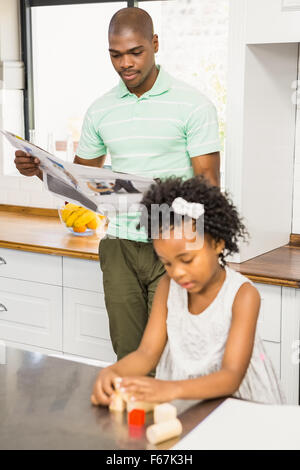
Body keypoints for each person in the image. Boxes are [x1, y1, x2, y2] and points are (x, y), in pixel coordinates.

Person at [14, 7, 221, 361]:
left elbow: (209, 185)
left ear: (155, 44)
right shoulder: (102, 110)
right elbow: (80, 178)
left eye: (135, 52)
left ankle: (175, 417)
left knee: (174, 353)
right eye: (116, 54)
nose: (126, 63)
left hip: (174, 244)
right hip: (119, 246)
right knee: (129, 353)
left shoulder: (194, 105)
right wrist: (38, 168)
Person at [91, 176, 286, 406]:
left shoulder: (242, 295)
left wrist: (169, 389)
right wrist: (114, 372)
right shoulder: (167, 287)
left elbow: (231, 375)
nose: (178, 273)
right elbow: (147, 353)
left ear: (217, 243)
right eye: (167, 263)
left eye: (187, 259)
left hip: (240, 403)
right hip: (187, 398)